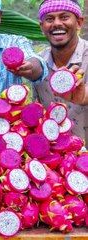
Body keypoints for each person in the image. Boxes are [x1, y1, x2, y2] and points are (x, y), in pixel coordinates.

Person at [33, 0, 88, 146]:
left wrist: (84, 97)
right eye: (49, 19)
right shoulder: (38, 64)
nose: (56, 23)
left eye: (64, 17)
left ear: (78, 22)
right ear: (42, 27)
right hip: (53, 160)